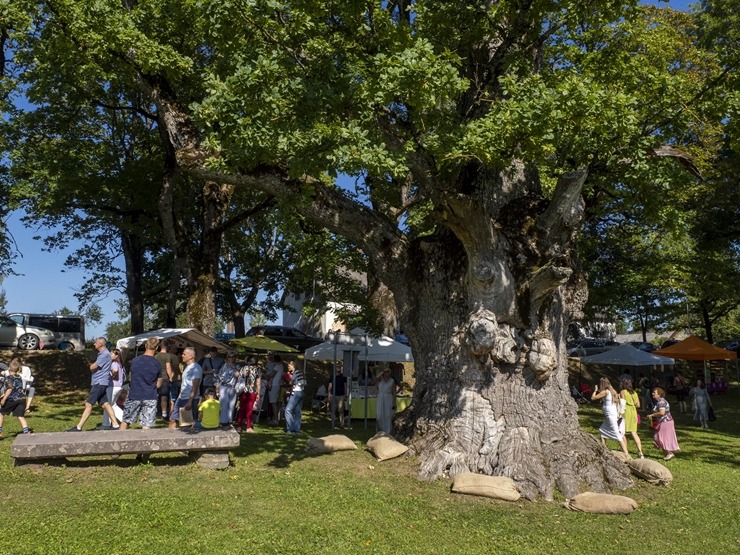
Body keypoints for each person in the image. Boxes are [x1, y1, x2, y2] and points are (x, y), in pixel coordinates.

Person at [67, 337, 120, 432]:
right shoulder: (104, 354)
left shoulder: (104, 355)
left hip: (99, 383)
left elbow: (93, 367)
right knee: (105, 404)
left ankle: (78, 427)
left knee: (88, 404)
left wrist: (90, 364)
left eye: (95, 342)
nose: (94, 344)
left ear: (101, 344)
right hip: (102, 382)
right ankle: (115, 425)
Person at [119, 337, 163, 430]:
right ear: (157, 348)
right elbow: (159, 384)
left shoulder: (135, 361)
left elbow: (130, 377)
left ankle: (118, 441)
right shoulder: (157, 363)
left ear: (146, 345)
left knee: (126, 421)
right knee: (147, 424)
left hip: (134, 394)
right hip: (150, 395)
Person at [591, 377, 630, 459]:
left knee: (617, 434)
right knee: (602, 430)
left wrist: (595, 390)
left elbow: (593, 398)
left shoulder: (606, 392)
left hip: (610, 414)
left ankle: (626, 453)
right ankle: (603, 449)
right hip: (611, 413)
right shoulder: (613, 391)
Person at [169, 347, 202, 429]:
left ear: (191, 356)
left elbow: (195, 386)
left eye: (184, 354)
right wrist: (179, 396)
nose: (182, 356)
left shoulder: (196, 368)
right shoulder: (187, 367)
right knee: (173, 418)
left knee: (187, 423)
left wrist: (190, 401)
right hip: (182, 397)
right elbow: (184, 384)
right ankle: (169, 436)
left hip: (189, 399)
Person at [0, 359, 32, 438]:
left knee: (1, 413)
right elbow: (17, 388)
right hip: (21, 399)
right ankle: (26, 432)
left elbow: (10, 389)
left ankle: (0, 431)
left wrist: (3, 399)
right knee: (20, 416)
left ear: (9, 369)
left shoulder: (8, 378)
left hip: (11, 399)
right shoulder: (19, 377)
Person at [648, 387, 680, 460]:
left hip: (666, 422)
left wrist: (652, 415)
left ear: (659, 394)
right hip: (662, 422)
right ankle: (667, 454)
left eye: (654, 392)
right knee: (658, 437)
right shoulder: (658, 401)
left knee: (660, 438)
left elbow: (662, 413)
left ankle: (669, 453)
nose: (652, 393)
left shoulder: (661, 402)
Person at [99, 348, 126, 430]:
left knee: (108, 405)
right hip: (119, 386)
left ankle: (108, 423)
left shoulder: (114, 363)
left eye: (112, 354)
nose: (110, 355)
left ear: (116, 355)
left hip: (113, 386)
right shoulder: (120, 363)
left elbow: (115, 370)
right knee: (113, 405)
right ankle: (124, 420)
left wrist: (111, 376)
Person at [619, 376, 644, 459]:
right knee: (634, 432)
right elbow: (638, 405)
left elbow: (622, 403)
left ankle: (625, 451)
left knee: (622, 432)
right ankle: (640, 452)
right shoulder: (634, 393)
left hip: (626, 412)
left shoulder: (623, 392)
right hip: (634, 412)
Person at [236, 356, 261, 433]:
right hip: (252, 391)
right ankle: (248, 427)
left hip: (243, 390)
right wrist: (258, 393)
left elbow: (238, 377)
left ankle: (239, 426)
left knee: (241, 408)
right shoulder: (257, 369)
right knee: (249, 409)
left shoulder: (243, 368)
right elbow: (258, 383)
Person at [154, 339, 176, 420]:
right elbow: (168, 367)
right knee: (164, 397)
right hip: (165, 378)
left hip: (157, 378)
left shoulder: (156, 356)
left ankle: (155, 411)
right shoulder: (167, 356)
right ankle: (164, 414)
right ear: (167, 346)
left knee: (156, 396)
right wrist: (170, 377)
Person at [216, 352, 240, 427]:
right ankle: (223, 421)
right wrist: (217, 388)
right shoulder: (224, 366)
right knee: (223, 404)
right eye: (230, 356)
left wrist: (238, 374)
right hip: (224, 386)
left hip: (233, 387)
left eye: (233, 357)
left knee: (231, 405)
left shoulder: (237, 366)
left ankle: (229, 421)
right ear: (227, 357)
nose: (231, 358)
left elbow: (240, 377)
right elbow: (219, 377)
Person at [284, 360, 306, 434]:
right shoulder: (302, 372)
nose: (288, 367)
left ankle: (290, 428)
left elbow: (291, 382)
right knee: (297, 412)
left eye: (289, 366)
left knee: (288, 410)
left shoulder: (296, 372)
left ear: (294, 366)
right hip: (302, 392)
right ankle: (297, 429)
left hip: (296, 392)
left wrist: (287, 381)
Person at [376, 366, 396, 434]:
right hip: (381, 398)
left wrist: (394, 402)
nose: (387, 374)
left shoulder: (392, 381)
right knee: (379, 415)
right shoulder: (380, 380)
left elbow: (394, 392)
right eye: (386, 372)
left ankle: (388, 431)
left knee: (388, 415)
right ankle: (380, 430)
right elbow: (376, 377)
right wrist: (383, 371)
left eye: (388, 372)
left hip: (388, 398)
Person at [264, 354, 284, 425]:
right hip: (276, 385)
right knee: (274, 402)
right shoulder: (281, 366)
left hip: (274, 385)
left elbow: (271, 375)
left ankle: (275, 420)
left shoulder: (277, 366)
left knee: (273, 403)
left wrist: (264, 375)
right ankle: (274, 418)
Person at [327, 364, 347, 428]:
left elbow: (345, 386)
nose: (338, 368)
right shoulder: (332, 377)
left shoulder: (343, 377)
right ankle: (333, 424)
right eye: (337, 367)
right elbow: (330, 386)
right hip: (333, 395)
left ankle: (342, 424)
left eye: (339, 367)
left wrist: (346, 394)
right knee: (333, 410)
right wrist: (329, 394)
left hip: (341, 395)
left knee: (341, 410)